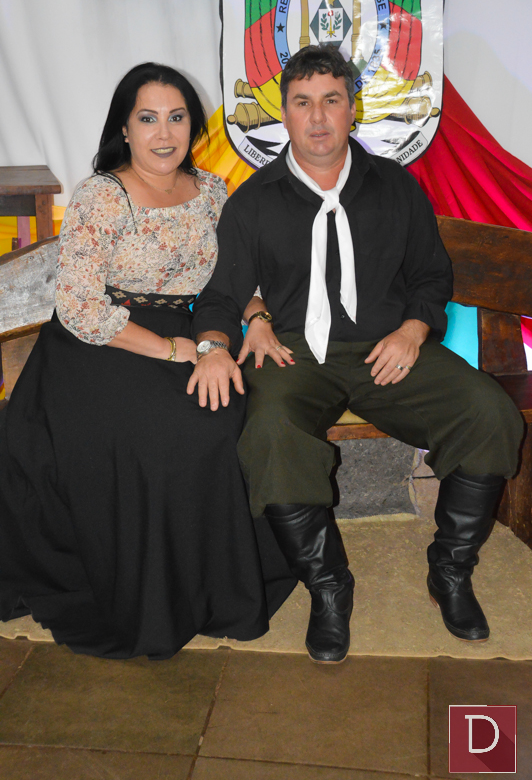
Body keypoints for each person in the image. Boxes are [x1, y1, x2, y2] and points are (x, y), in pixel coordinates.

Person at [188, 46, 524, 664]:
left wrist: (414, 331)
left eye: (331, 100)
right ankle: (328, 587)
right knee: (271, 433)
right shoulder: (252, 201)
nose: (317, 117)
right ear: (284, 114)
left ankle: (450, 571)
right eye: (302, 103)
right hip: (293, 354)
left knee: (489, 413)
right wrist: (218, 343)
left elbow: (432, 277)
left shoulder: (396, 187)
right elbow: (219, 293)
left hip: (387, 348)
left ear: (352, 109)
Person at [0, 62, 296, 660]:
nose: (164, 133)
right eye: (148, 118)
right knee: (170, 432)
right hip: (98, 346)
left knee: (226, 418)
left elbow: (236, 278)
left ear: (193, 125)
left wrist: (257, 315)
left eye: (177, 117)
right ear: (125, 128)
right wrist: (172, 350)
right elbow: (80, 308)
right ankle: (157, 599)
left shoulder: (214, 192)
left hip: (193, 329)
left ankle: (214, 589)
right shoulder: (101, 196)